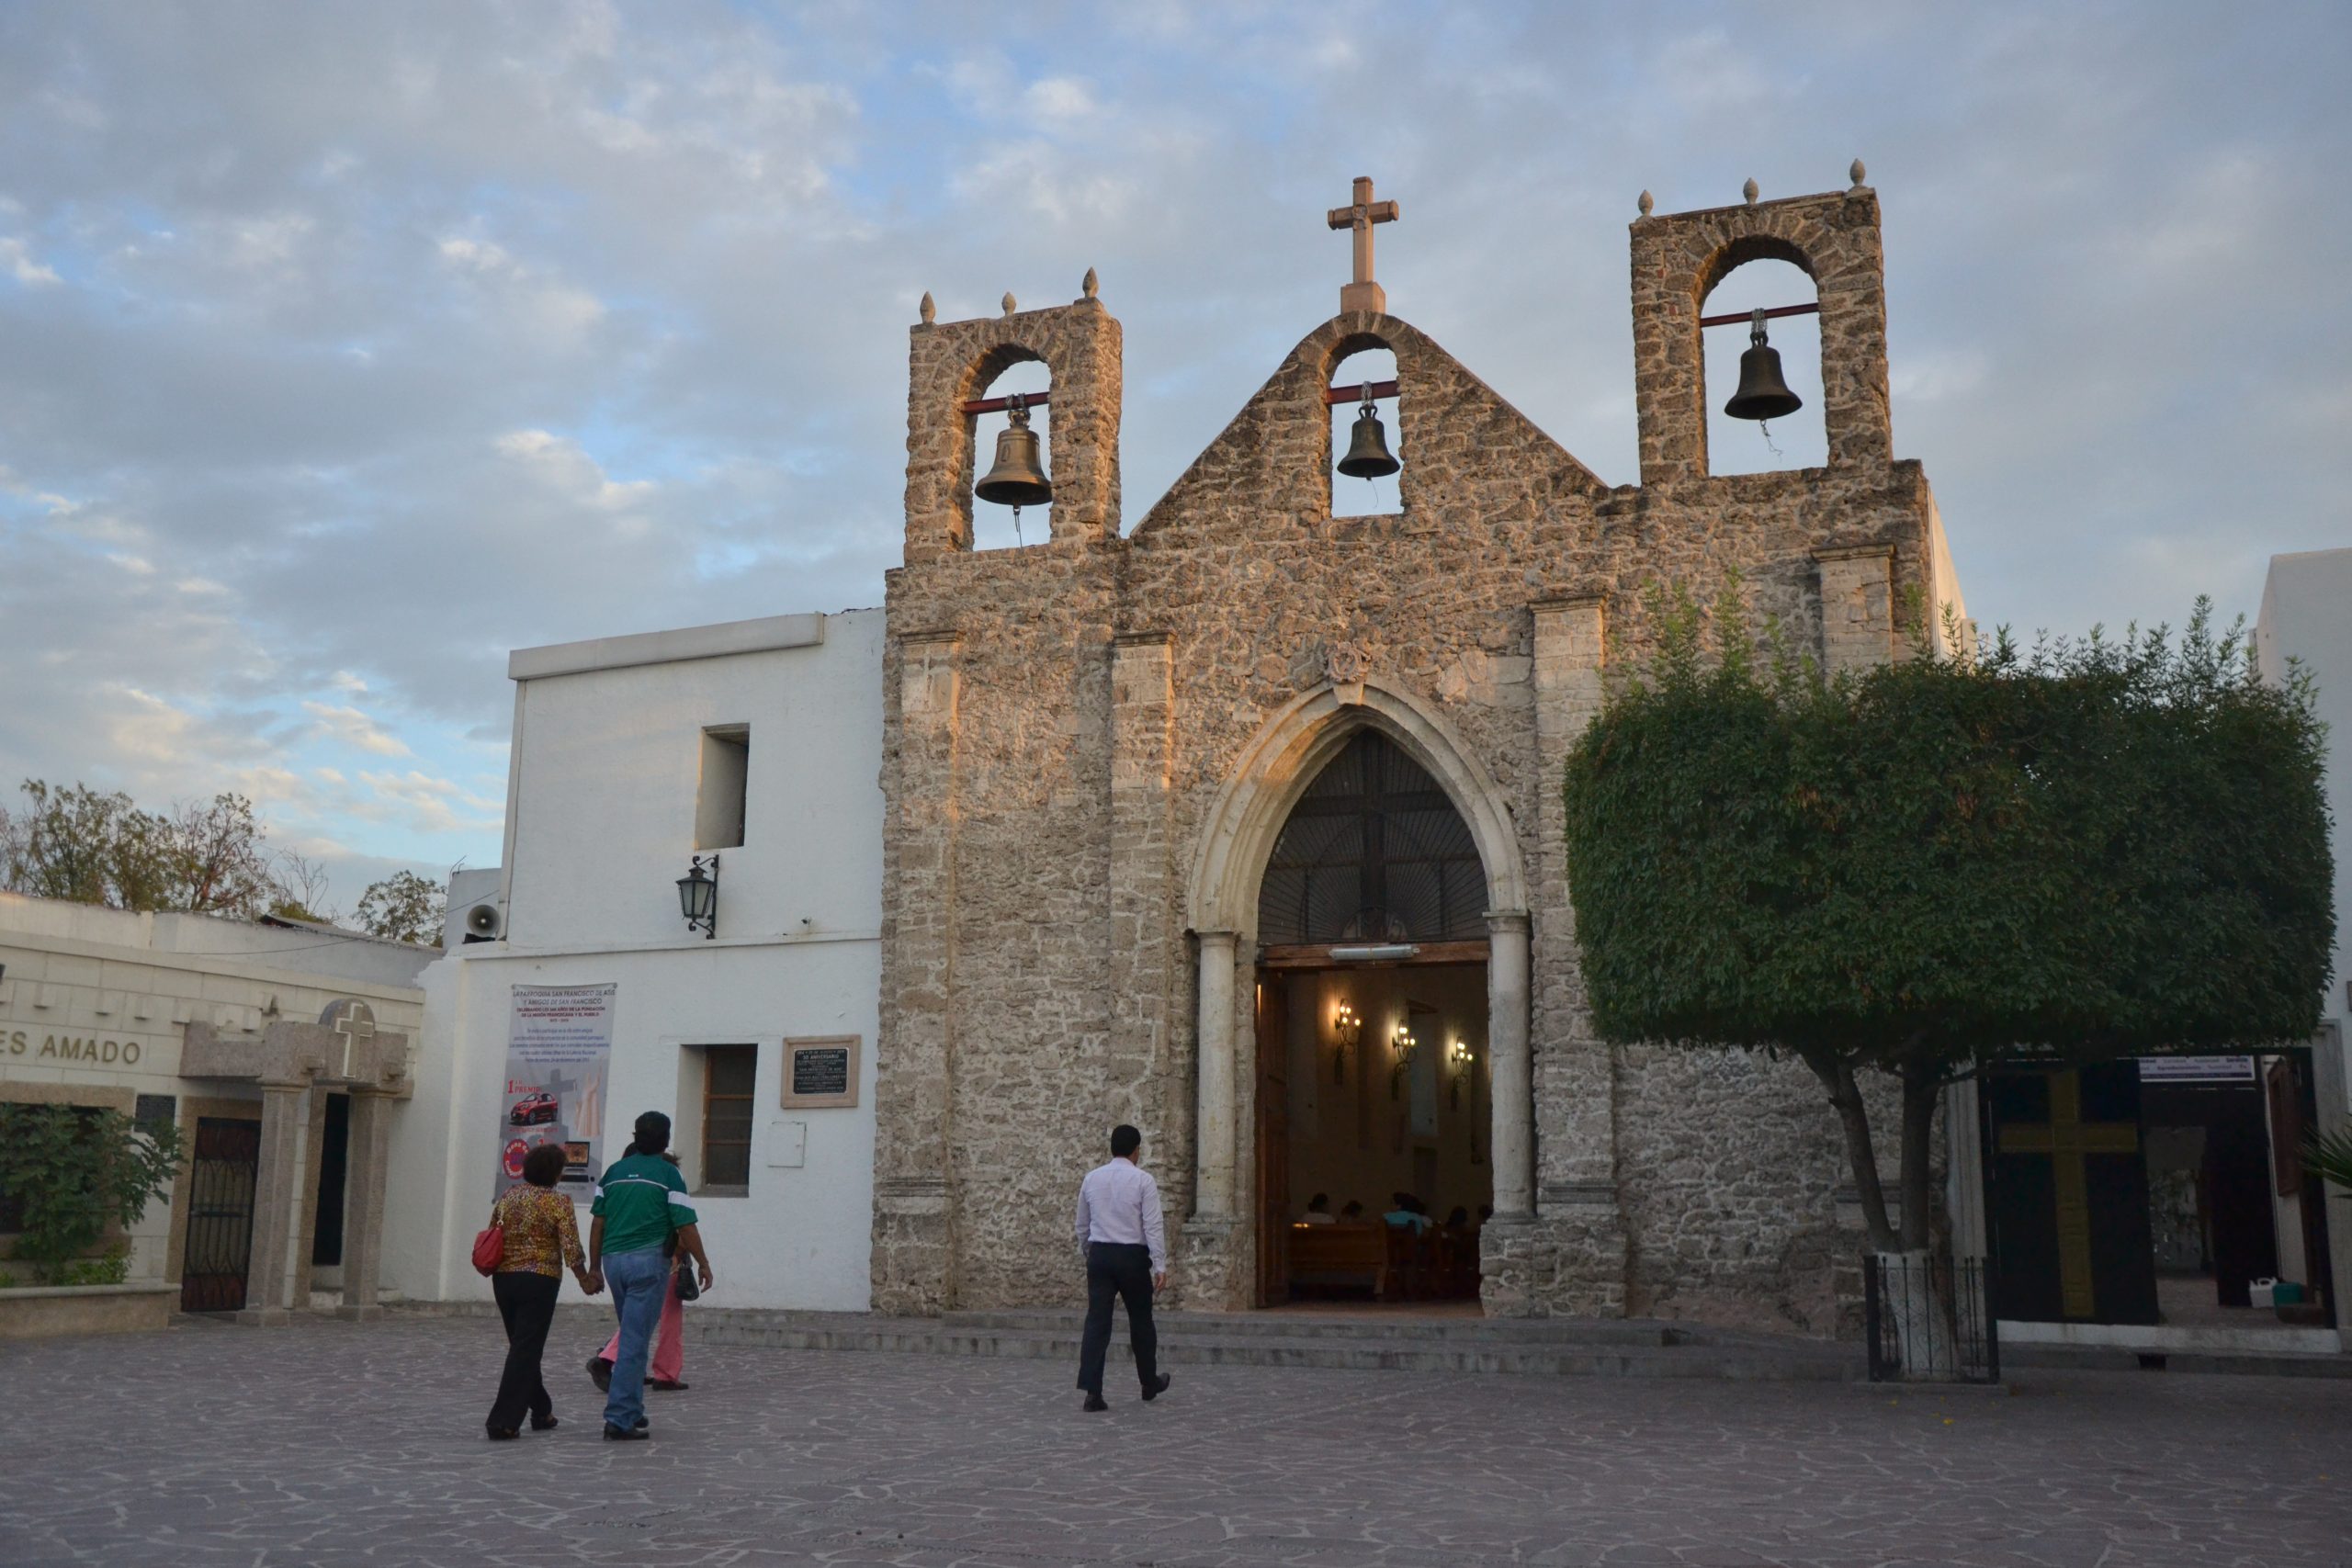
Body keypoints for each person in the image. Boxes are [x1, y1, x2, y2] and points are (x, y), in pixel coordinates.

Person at [589, 1111, 715, 1441]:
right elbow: (684, 1223)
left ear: (636, 1136)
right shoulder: (668, 1174)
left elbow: (598, 1222)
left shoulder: (613, 1173)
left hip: (613, 1262)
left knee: (631, 1335)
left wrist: (593, 1266)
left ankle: (631, 1408)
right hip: (648, 1263)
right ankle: (619, 1418)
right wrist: (703, 1261)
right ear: (665, 1139)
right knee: (634, 1342)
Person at [484, 1142, 600, 1439]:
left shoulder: (509, 1197)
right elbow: (571, 1246)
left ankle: (542, 1410)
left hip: (504, 1279)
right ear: (556, 1173)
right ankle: (504, 1420)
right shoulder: (558, 1203)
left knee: (522, 1347)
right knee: (525, 1348)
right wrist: (584, 1278)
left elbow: (492, 1231)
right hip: (540, 1280)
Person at [1073, 1122, 1171, 1412]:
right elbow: (1152, 1225)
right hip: (1131, 1257)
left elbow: (1082, 1223)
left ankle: (1093, 1391)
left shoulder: (1092, 1179)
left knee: (1097, 1322)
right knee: (1141, 1321)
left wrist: (1089, 1251)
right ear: (1136, 1150)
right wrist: (1160, 1264)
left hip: (1101, 1255)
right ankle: (1147, 1382)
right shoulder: (1143, 1181)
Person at [587, 1152, 689, 1393]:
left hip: (621, 1258)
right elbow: (681, 1224)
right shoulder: (665, 1186)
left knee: (638, 1316)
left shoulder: (627, 1186)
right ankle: (661, 1371)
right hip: (663, 1260)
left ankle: (620, 1361)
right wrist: (693, 1258)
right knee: (660, 1320)